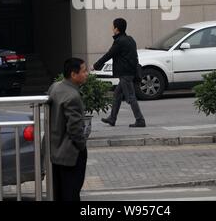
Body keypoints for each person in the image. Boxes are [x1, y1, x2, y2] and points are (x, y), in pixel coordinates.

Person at [48, 57, 88, 201]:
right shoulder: (73, 96)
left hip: (54, 152)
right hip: (70, 154)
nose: (87, 74)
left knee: (59, 193)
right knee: (71, 194)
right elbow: (75, 128)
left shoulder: (55, 87)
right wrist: (82, 146)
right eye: (84, 71)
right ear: (73, 74)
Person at [93, 18, 146, 128]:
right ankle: (112, 118)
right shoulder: (130, 39)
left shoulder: (119, 41)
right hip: (130, 72)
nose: (112, 28)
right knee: (117, 94)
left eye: (113, 26)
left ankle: (140, 120)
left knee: (131, 97)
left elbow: (109, 54)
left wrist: (96, 65)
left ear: (116, 29)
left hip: (125, 74)